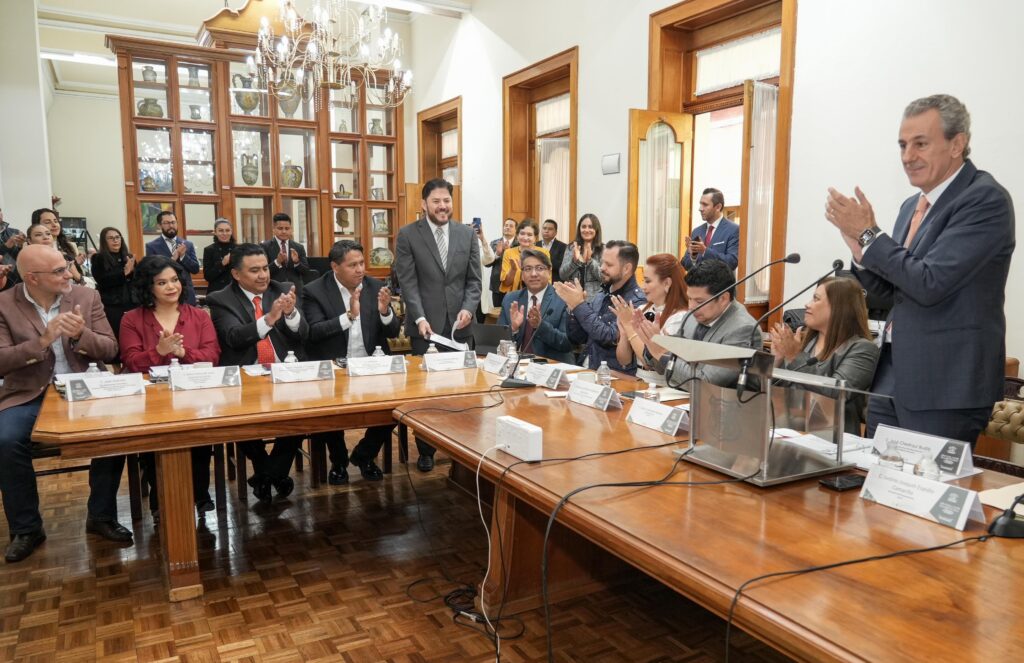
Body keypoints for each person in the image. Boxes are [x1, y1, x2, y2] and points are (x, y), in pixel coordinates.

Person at [825, 94, 1015, 443]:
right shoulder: (911, 206)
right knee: (878, 489)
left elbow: (930, 282)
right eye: (902, 145)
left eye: (920, 144)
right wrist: (860, 251)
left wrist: (870, 234)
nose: (908, 157)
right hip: (893, 374)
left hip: (946, 384)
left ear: (958, 144)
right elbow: (891, 292)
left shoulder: (984, 199)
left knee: (931, 494)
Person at [0, 245, 130, 563]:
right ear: (32, 278)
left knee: (117, 431)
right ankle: (27, 528)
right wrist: (42, 342)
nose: (69, 273)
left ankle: (101, 515)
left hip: (83, 388)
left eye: (67, 265)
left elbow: (110, 349)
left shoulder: (86, 297)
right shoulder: (4, 304)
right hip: (28, 392)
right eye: (59, 271)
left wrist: (80, 336)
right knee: (4, 440)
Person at [119, 256, 221, 520]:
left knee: (199, 434)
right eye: (161, 282)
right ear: (147, 286)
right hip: (151, 400)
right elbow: (130, 361)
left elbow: (212, 355)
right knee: (156, 439)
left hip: (193, 395)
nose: (171, 287)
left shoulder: (198, 315)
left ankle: (198, 494)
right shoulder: (132, 319)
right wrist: (158, 352)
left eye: (174, 280)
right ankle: (159, 499)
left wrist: (183, 352)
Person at [207, 244, 308, 502]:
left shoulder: (283, 289)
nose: (263, 275)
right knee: (241, 421)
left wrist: (291, 313)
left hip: (283, 372)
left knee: (302, 415)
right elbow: (234, 337)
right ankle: (271, 472)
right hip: (243, 376)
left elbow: (302, 334)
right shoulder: (221, 298)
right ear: (236, 274)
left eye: (265, 268)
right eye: (254, 271)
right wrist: (270, 318)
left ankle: (265, 475)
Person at [394, 178, 481, 471]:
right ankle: (427, 450)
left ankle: (461, 450)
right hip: (425, 328)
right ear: (424, 204)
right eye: (436, 201)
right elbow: (408, 282)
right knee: (426, 396)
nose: (443, 207)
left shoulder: (467, 235)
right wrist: (418, 317)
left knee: (460, 392)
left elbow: (473, 281)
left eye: (447, 201)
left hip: (460, 327)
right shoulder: (407, 235)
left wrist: (469, 309)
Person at [303, 240, 399, 484]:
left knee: (395, 407)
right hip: (335, 370)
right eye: (353, 265)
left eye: (362, 263)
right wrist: (348, 316)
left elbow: (394, 332)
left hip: (371, 367)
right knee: (329, 413)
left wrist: (385, 312)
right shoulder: (315, 290)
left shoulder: (375, 286)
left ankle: (364, 455)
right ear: (335, 266)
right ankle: (339, 461)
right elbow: (314, 331)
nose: (360, 270)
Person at [769, 277, 880, 433]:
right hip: (791, 430)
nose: (807, 304)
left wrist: (794, 356)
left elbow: (837, 392)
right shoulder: (805, 341)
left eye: (816, 299)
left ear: (838, 308)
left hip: (833, 439)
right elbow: (781, 391)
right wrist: (778, 360)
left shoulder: (863, 349)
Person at [636, 259, 758, 388]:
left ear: (723, 298)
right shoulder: (692, 316)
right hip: (681, 397)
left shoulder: (743, 329)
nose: (691, 306)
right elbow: (664, 368)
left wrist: (662, 353)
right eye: (689, 298)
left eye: (699, 301)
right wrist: (652, 345)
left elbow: (706, 383)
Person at [554, 240, 646, 374]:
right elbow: (578, 338)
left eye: (608, 264)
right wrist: (572, 308)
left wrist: (579, 305)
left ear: (626, 268)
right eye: (602, 262)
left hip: (614, 377)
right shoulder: (602, 292)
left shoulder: (636, 301)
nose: (602, 268)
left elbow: (610, 336)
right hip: (587, 369)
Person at [610, 253, 689, 386]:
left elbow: (649, 361)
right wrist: (624, 332)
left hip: (665, 388)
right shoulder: (642, 309)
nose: (642, 286)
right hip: (639, 382)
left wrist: (629, 326)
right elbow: (624, 360)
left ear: (667, 283)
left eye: (647, 281)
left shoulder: (680, 318)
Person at [497, 249, 574, 363]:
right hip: (519, 367)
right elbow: (499, 342)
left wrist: (540, 326)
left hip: (553, 368)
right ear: (522, 275)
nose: (533, 274)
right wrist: (513, 329)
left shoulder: (563, 298)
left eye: (539, 268)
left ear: (549, 271)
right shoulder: (511, 299)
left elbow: (568, 343)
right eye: (528, 269)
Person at [144, 211, 200, 306]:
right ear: (159, 226)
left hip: (187, 296)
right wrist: (172, 260)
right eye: (167, 223)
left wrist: (183, 256)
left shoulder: (188, 244)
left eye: (173, 222)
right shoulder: (151, 246)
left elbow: (195, 269)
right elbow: (151, 271)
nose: (171, 226)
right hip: (165, 295)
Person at [90, 227, 136, 336]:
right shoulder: (98, 258)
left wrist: (132, 273)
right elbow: (102, 280)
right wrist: (124, 273)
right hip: (112, 305)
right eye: (111, 238)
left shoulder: (128, 257)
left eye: (117, 237)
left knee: (133, 335)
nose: (115, 240)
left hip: (132, 303)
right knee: (118, 335)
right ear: (104, 241)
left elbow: (137, 280)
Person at [682, 188, 740, 272]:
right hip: (697, 284)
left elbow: (731, 262)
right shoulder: (697, 231)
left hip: (721, 284)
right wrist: (693, 256)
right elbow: (685, 264)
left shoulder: (733, 229)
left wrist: (705, 251)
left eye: (705, 205)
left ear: (718, 207)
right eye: (700, 204)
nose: (700, 209)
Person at [262, 212, 311, 298]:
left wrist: (296, 262)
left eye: (287, 228)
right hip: (273, 291)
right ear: (274, 229)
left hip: (296, 291)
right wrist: (277, 262)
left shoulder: (299, 247)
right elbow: (263, 271)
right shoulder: (265, 247)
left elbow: (306, 271)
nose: (284, 231)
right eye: (280, 228)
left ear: (291, 229)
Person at [32, 209, 84, 284]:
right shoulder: (31, 249)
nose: (54, 225)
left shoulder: (71, 246)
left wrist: (76, 264)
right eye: (48, 222)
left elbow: (79, 277)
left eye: (56, 221)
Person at [560, 213, 604, 300]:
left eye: (590, 227)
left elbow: (604, 277)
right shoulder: (571, 247)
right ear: (579, 229)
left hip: (595, 301)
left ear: (596, 229)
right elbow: (562, 275)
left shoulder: (603, 249)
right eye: (583, 227)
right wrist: (574, 262)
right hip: (573, 299)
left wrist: (590, 262)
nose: (586, 230)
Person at [500, 219, 550, 295]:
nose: (525, 237)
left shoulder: (543, 253)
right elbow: (506, 283)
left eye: (529, 235)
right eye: (522, 233)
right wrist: (513, 270)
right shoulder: (509, 252)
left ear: (535, 238)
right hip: (515, 297)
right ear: (517, 235)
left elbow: (547, 279)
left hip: (538, 296)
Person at [202, 218, 236, 295]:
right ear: (215, 232)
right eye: (221, 230)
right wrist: (222, 264)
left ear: (231, 232)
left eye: (227, 230)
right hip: (216, 292)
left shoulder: (238, 249)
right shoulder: (209, 250)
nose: (224, 233)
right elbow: (207, 276)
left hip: (235, 292)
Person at [488, 218, 517, 309]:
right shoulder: (494, 243)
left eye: (511, 226)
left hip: (514, 286)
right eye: (506, 225)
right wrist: (497, 254)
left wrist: (509, 252)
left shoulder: (519, 244)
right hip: (497, 285)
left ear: (516, 229)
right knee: (498, 314)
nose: (507, 228)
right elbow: (487, 264)